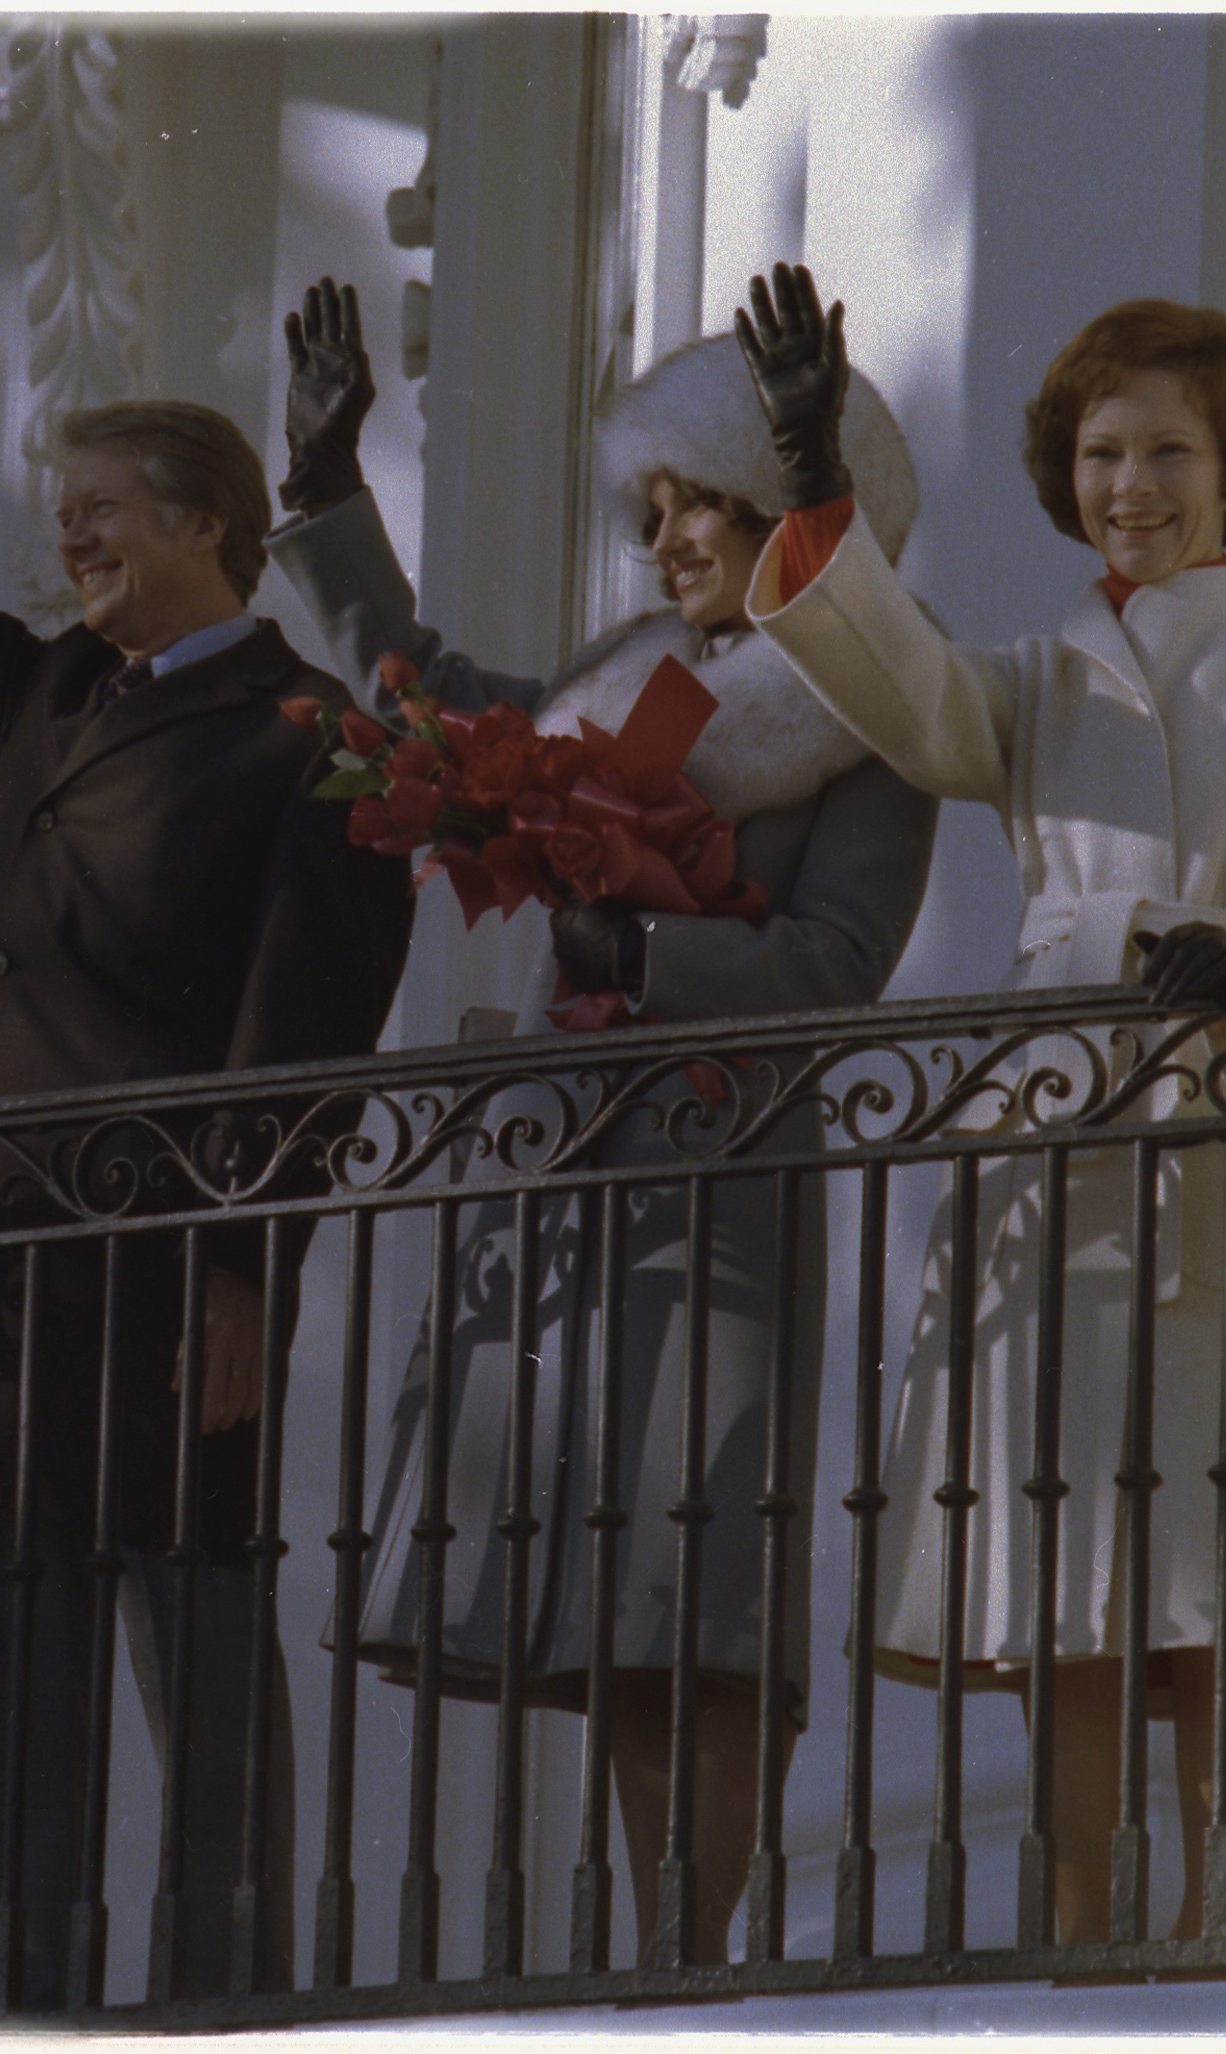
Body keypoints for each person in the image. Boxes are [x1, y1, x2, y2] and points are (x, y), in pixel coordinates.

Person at [0, 156, 413, 2011]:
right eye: (64, 519)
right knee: (4, 1664)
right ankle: (4, 2002)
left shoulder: (315, 737)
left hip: (155, 1259)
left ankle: (231, 1989)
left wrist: (240, 1271)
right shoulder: (51, 694)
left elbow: (311, 1034)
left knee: (193, 1648)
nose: (73, 545)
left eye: (105, 514)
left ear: (210, 524)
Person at [266, 280, 942, 1966]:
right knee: (601, 1601)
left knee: (698, 1599)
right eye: (647, 514)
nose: (658, 544)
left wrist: (642, 946)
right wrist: (327, 493)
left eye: (686, 504)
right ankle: (647, 1963)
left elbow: (836, 968)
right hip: (567, 1185)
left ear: (770, 500)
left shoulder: (877, 720)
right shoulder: (627, 683)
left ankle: (692, 1959)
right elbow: (438, 709)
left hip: (723, 1188)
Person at [733, 268, 1226, 1946]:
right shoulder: (1038, 674)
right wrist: (818, 476)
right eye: (1105, 452)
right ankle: (1084, 1906)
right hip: (1052, 1147)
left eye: (1171, 450)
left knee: (1215, 1550)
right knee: (1064, 1568)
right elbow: (913, 704)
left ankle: (1209, 1903)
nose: (1134, 487)